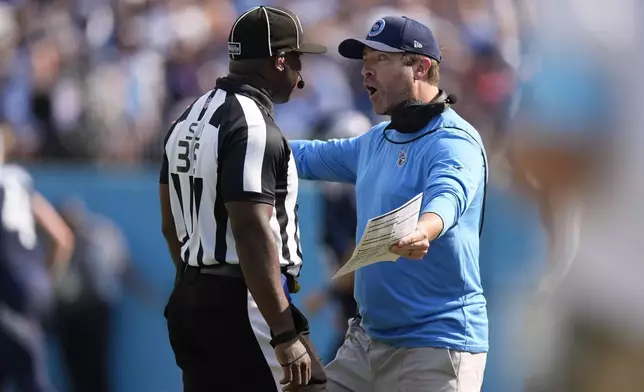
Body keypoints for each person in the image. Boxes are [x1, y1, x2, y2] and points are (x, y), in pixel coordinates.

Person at [290, 16, 488, 392]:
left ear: (421, 66)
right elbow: (305, 158)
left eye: (379, 60)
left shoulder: (454, 140)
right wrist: (246, 139)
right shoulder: (377, 140)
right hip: (368, 343)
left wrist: (424, 229)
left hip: (435, 347)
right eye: (364, 60)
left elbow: (450, 195)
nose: (364, 71)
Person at [158, 6, 328, 392]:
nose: (301, 74)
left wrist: (194, 282)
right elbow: (251, 230)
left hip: (192, 292)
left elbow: (171, 224)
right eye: (298, 59)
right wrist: (283, 333)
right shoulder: (251, 124)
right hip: (242, 300)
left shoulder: (187, 116)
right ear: (280, 61)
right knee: (310, 386)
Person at [52, 196, 159, 392]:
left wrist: (145, 291)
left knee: (96, 365)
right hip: (68, 311)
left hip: (97, 309)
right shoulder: (54, 238)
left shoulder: (101, 234)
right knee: (72, 367)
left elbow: (123, 266)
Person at [0, 123, 74, 392]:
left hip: (9, 292)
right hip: (34, 290)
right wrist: (45, 278)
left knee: (31, 378)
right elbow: (62, 237)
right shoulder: (18, 180)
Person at [302, 111, 370, 362]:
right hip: (357, 311)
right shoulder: (348, 190)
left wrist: (328, 294)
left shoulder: (345, 193)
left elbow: (360, 249)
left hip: (366, 313)